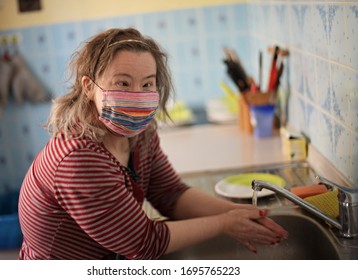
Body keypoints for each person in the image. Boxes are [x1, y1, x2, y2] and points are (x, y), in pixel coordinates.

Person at [18, 27, 288, 260]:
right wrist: (223, 224)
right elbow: (142, 243)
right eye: (123, 83)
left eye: (147, 84)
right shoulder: (78, 159)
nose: (138, 96)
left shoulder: (140, 133)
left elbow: (170, 194)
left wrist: (240, 213)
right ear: (89, 87)